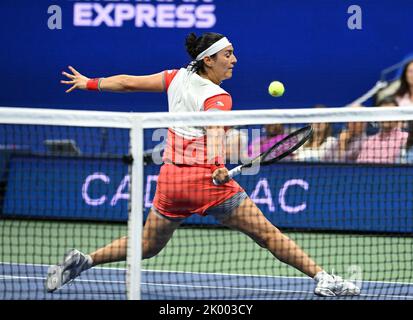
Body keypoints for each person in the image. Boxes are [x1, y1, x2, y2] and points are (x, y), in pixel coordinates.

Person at [47, 32, 360, 297]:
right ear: (209, 60)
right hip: (205, 183)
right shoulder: (218, 96)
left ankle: (85, 260)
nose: (234, 59)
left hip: (171, 180)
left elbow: (128, 83)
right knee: (268, 236)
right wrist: (218, 166)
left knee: (148, 244)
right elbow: (213, 131)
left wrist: (89, 82)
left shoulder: (175, 78)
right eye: (228, 54)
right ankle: (322, 278)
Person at [357, 97, 407, 163]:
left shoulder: (406, 139)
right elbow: (359, 167)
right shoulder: (368, 142)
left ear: (398, 117)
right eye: (383, 113)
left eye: (390, 113)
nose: (386, 117)